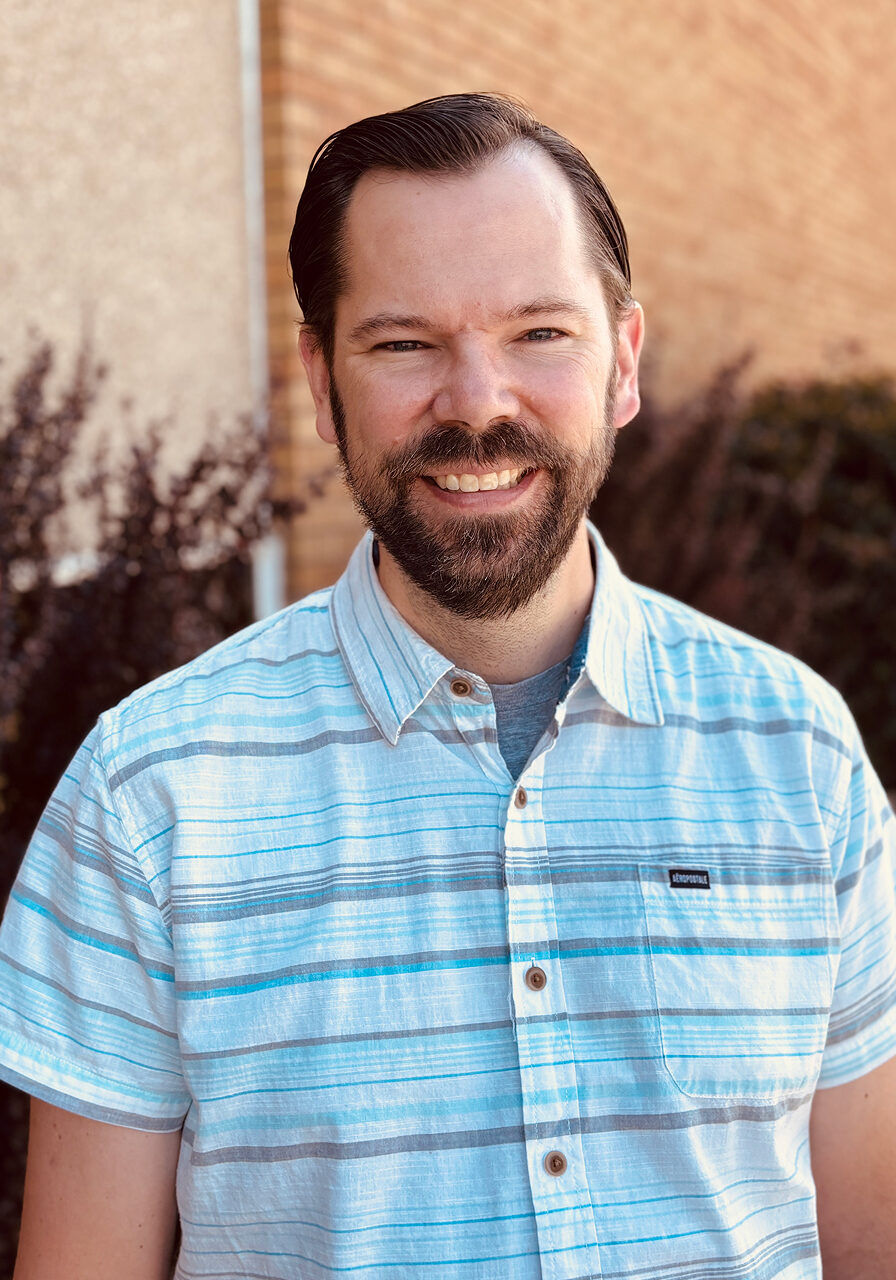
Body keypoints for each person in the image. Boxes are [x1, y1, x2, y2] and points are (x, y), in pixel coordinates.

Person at [1, 93, 894, 1280]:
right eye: (404, 342)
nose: (477, 401)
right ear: (321, 383)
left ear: (622, 361)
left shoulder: (799, 753)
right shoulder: (146, 797)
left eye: (539, 332)